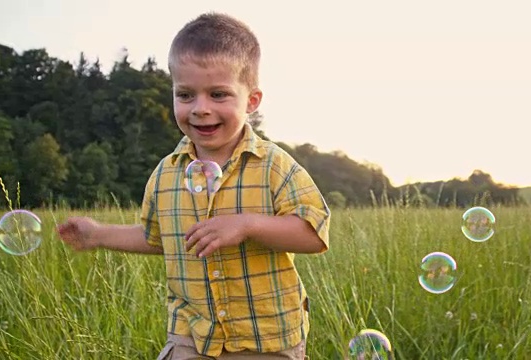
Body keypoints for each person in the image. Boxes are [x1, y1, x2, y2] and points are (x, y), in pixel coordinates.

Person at [57, 12, 330, 360]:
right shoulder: (166, 174)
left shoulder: (274, 166)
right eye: (185, 95)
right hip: (191, 336)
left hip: (265, 340)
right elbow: (158, 238)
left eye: (218, 94)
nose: (201, 109)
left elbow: (313, 233)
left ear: (252, 101)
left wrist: (247, 224)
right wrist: (97, 234)